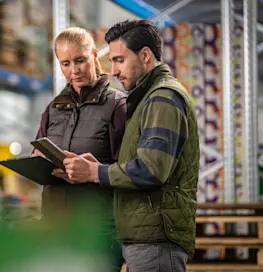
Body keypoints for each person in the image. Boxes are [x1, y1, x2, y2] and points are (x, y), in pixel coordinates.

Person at [61, 20, 200, 272]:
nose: (113, 70)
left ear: (145, 55)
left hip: (156, 238)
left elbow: (152, 169)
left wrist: (96, 173)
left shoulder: (163, 98)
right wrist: (99, 166)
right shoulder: (147, 98)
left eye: (119, 60)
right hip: (145, 236)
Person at [32, 27, 127, 271]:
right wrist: (38, 162)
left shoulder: (117, 105)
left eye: (80, 60)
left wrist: (93, 172)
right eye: (65, 63)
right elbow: (39, 147)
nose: (73, 71)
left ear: (94, 55)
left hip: (97, 226)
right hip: (54, 224)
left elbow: (129, 170)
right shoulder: (53, 108)